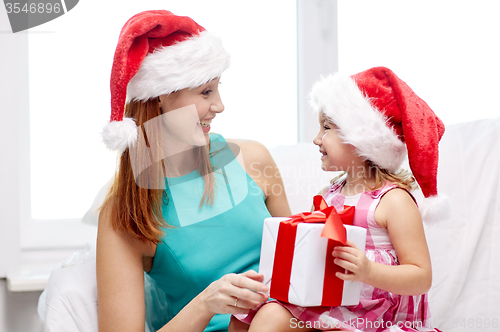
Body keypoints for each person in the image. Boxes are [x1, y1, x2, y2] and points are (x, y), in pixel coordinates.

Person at [96, 10, 291, 332]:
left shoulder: (252, 159)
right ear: (160, 97)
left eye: (217, 88)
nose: (220, 105)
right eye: (205, 92)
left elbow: (298, 259)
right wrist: (205, 303)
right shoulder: (125, 216)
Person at [230, 67, 449, 332]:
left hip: (376, 317)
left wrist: (368, 270)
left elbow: (421, 277)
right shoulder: (327, 197)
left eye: (326, 128)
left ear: (360, 139)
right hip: (328, 304)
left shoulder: (393, 201)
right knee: (259, 316)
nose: (316, 139)